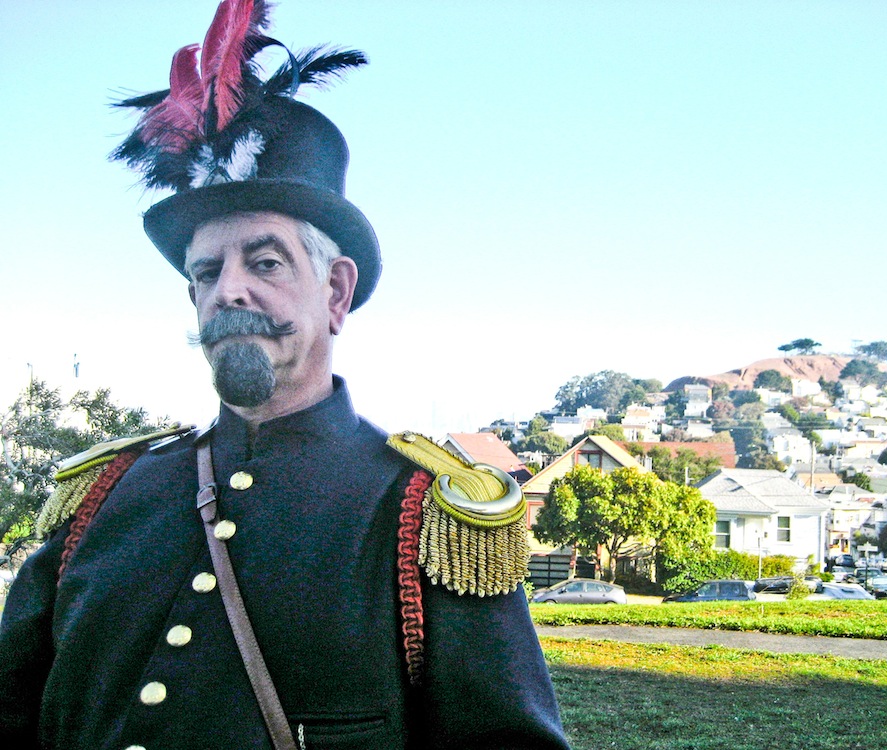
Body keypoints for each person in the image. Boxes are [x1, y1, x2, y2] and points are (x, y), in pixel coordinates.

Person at [0, 2, 570, 748]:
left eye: (265, 262)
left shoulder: (421, 514)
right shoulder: (104, 495)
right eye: (207, 272)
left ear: (334, 291)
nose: (229, 291)